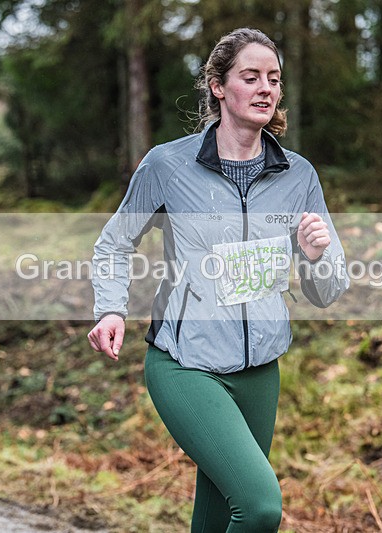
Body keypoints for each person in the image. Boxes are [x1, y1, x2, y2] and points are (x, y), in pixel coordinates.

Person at [88, 27, 348, 532]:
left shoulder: (299, 176)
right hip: (188, 365)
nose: (265, 88)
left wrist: (316, 256)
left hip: (260, 372)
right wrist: (111, 307)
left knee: (217, 517)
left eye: (273, 79)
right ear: (217, 85)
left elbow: (327, 290)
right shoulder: (168, 164)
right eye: (250, 77)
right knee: (259, 507)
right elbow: (115, 242)